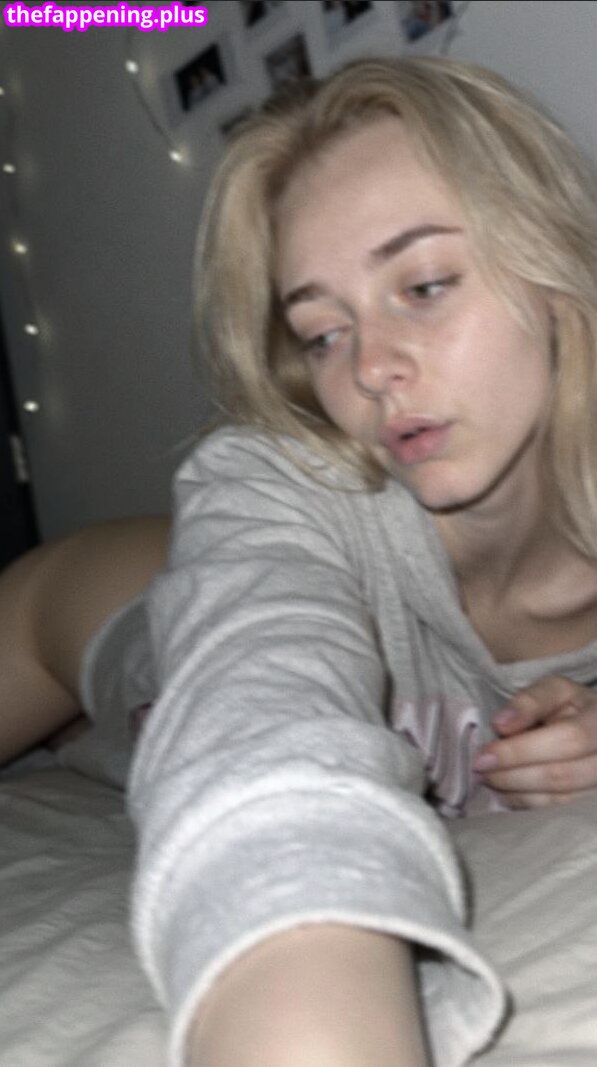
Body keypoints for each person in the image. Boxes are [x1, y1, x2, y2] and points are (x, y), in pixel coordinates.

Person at [4, 55, 597, 1066]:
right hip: (85, 609)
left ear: (556, 267)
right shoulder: (273, 486)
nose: (369, 367)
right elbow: (265, 754)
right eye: (321, 332)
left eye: (423, 285)